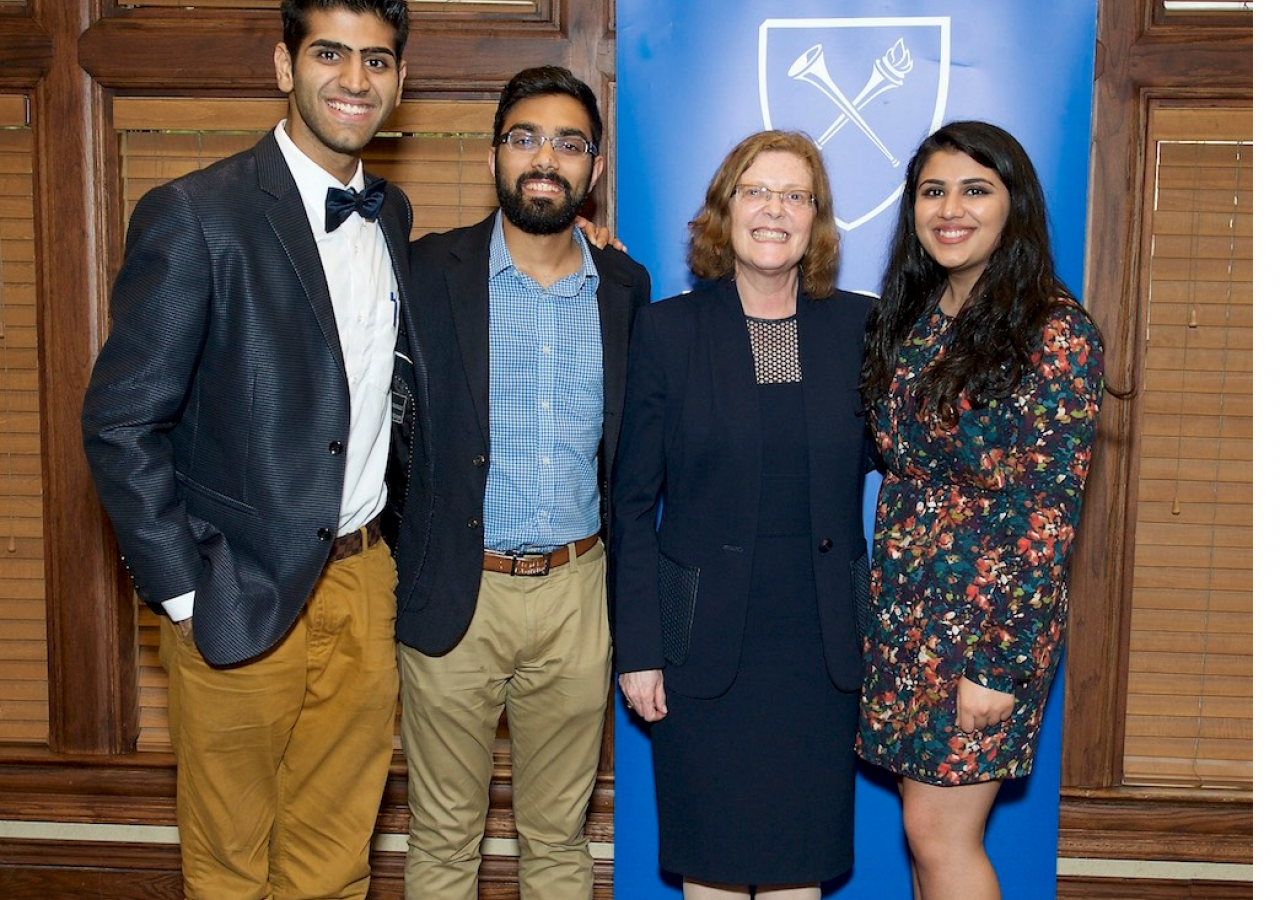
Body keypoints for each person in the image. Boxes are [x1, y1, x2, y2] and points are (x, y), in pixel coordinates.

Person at [80, 1, 410, 897]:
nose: (354, 79)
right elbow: (120, 421)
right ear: (283, 65)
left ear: (399, 80)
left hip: (362, 581)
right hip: (239, 586)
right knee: (230, 869)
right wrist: (186, 591)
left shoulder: (393, 217)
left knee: (337, 860)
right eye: (330, 54)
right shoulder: (194, 215)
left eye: (377, 61)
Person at [388, 65, 651, 900]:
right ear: (495, 154)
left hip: (578, 595)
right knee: (441, 842)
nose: (546, 159)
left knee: (559, 841)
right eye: (526, 138)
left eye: (569, 144)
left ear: (594, 170)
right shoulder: (423, 272)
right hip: (456, 590)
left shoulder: (625, 286)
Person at [613, 130, 875, 900]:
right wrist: (639, 648)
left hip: (819, 649)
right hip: (702, 648)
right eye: (756, 191)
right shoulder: (668, 332)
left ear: (817, 220)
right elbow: (631, 506)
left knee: (799, 874)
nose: (774, 210)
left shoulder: (861, 330)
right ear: (724, 212)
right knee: (716, 874)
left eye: (795, 195)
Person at [856, 120, 1105, 900]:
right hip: (908, 616)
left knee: (940, 834)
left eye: (975, 189)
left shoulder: (1053, 331)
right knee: (924, 831)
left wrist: (999, 665)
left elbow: (1047, 514)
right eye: (933, 191)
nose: (949, 209)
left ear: (1013, 204)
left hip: (985, 623)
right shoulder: (923, 317)